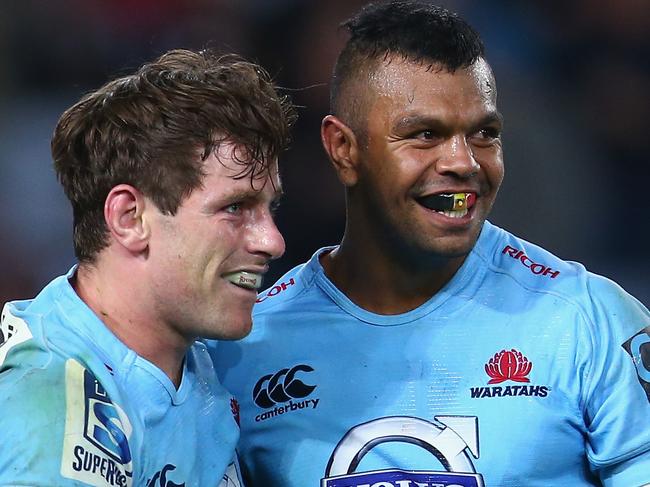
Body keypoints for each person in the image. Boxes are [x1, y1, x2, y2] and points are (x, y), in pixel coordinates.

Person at [211, 2, 650, 486]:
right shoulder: (246, 347)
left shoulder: (589, 321)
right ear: (343, 149)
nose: (464, 162)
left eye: (485, 133)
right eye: (424, 135)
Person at [0, 48, 294, 486]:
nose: (273, 241)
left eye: (269, 209)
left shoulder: (195, 359)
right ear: (129, 219)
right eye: (236, 207)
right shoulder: (49, 407)